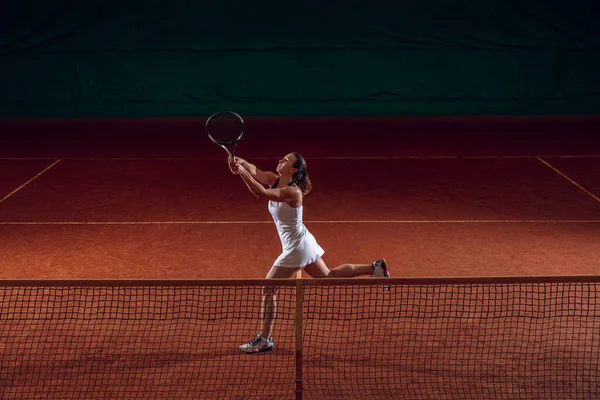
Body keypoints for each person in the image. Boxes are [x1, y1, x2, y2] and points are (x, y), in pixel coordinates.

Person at [228, 152, 390, 354]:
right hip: (302, 241)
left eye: (286, 160)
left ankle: (264, 339)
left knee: (268, 288)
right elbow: (257, 172)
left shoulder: (293, 192)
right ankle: (374, 268)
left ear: (294, 170)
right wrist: (241, 162)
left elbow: (261, 193)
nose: (280, 160)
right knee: (328, 276)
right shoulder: (274, 179)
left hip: (297, 247)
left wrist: (241, 172)